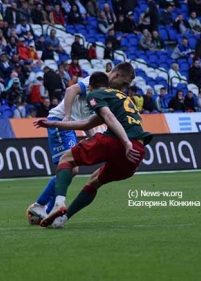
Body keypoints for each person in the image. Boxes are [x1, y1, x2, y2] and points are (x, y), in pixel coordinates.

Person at [33, 69, 152, 228]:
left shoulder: (96, 93)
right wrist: (54, 123)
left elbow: (108, 117)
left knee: (66, 161)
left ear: (90, 87)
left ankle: (56, 204)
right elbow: (87, 123)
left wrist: (125, 141)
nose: (123, 87)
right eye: (124, 84)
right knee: (94, 182)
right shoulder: (121, 97)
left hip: (119, 140)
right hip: (138, 149)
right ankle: (62, 219)